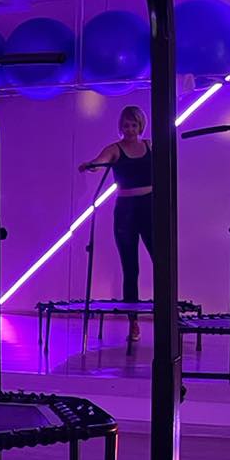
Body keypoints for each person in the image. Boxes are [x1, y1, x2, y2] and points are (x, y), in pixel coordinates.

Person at [79, 104, 153, 342]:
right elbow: (99, 161)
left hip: (149, 207)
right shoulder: (115, 149)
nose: (129, 129)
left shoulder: (150, 146)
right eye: (126, 125)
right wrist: (90, 165)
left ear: (140, 126)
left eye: (133, 125)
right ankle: (134, 323)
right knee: (131, 268)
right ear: (121, 127)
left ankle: (168, 314)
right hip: (126, 211)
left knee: (162, 262)